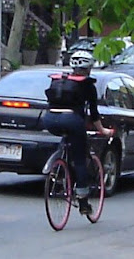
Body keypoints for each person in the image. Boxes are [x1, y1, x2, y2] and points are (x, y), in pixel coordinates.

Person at [43, 50, 113, 215]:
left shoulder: (59, 80)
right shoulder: (87, 85)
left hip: (50, 120)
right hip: (72, 121)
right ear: (89, 68)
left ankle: (59, 167)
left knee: (66, 140)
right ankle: (83, 202)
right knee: (80, 160)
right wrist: (102, 130)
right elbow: (94, 113)